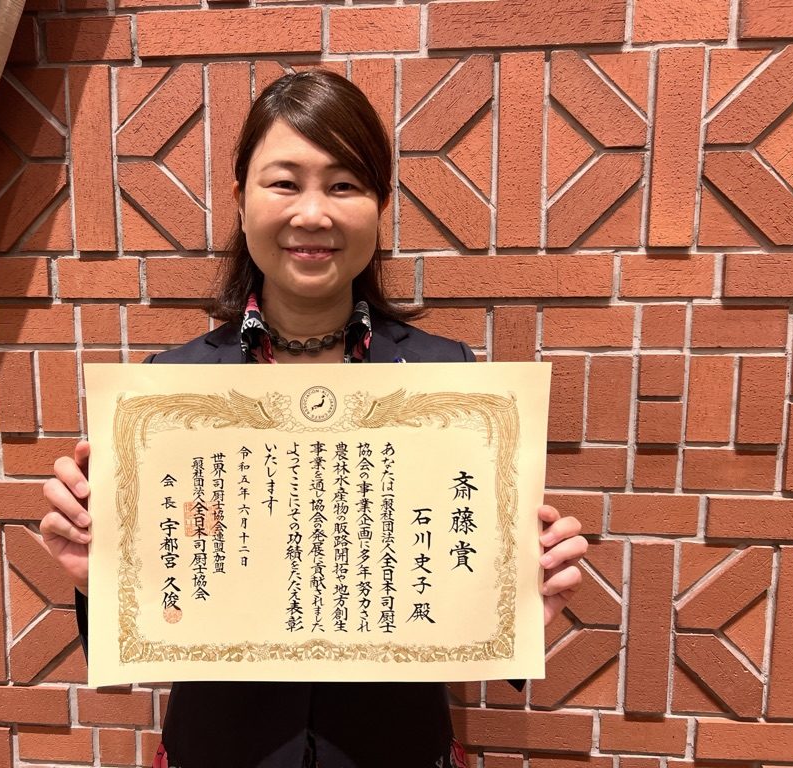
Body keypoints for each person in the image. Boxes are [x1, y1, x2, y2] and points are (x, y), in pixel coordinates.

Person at [40, 70, 587, 768]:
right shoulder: (169, 393)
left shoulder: (447, 378)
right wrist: (98, 579)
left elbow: (461, 595)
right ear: (240, 202)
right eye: (284, 182)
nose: (313, 213)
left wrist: (521, 601)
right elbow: (154, 620)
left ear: (380, 205)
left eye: (343, 185)